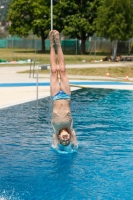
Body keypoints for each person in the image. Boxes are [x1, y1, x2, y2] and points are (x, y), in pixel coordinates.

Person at [49, 30, 78, 150]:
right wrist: (74, 145)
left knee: (54, 71)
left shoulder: (55, 130)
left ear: (59, 137)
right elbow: (75, 144)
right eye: (67, 140)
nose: (65, 139)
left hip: (55, 95)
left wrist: (57, 147)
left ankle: (51, 44)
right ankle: (59, 44)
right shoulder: (70, 128)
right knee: (63, 70)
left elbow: (55, 145)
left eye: (63, 140)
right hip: (66, 95)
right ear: (70, 137)